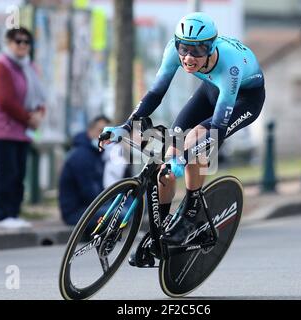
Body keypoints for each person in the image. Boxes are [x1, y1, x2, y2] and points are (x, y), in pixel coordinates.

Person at [100, 12, 265, 245]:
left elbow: (217, 129)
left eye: (197, 50)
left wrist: (186, 156)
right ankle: (161, 228)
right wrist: (126, 126)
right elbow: (156, 93)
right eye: (183, 48)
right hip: (210, 90)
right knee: (168, 159)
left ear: (211, 47)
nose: (188, 57)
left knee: (195, 138)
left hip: (243, 100)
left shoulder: (231, 67)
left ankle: (191, 215)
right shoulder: (173, 51)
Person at [0, 27, 46, 229]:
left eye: (26, 42)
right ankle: (1, 216)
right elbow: (5, 100)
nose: (22, 45)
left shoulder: (30, 67)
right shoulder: (1, 65)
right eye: (18, 41)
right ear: (9, 43)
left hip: (22, 131)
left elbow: (39, 96)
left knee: (19, 174)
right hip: (2, 130)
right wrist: (29, 118)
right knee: (6, 173)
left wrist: (39, 114)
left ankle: (14, 213)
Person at [59, 116, 111, 226]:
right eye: (101, 131)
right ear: (90, 131)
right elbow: (88, 192)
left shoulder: (95, 154)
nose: (105, 136)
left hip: (88, 209)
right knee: (119, 213)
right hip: (76, 213)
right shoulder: (81, 156)